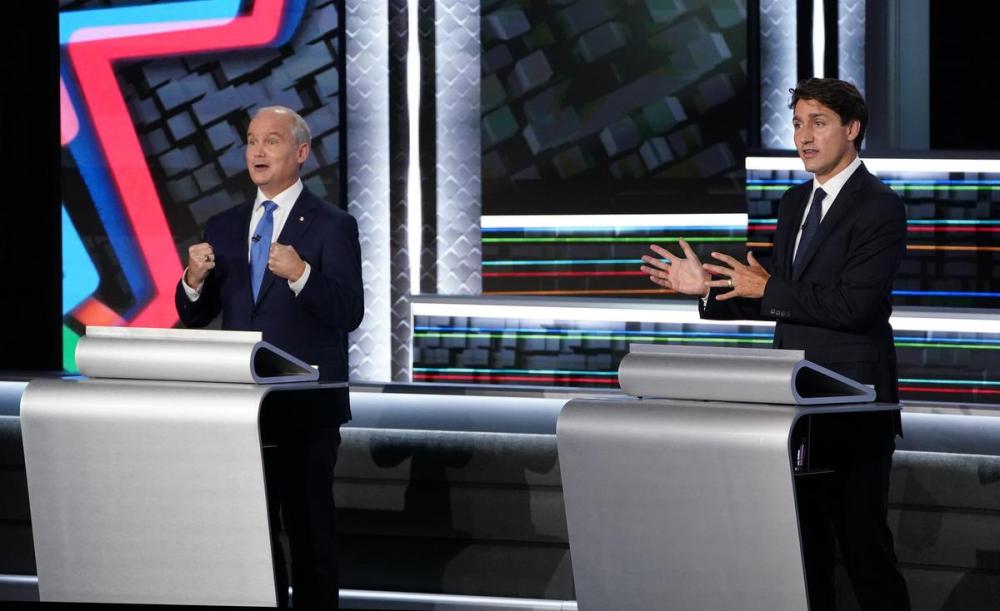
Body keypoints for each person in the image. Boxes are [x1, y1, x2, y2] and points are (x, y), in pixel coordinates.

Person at [640, 78, 910, 610]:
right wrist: (710, 292)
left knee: (864, 553)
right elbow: (780, 296)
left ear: (852, 129)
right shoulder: (793, 204)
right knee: (802, 556)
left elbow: (852, 307)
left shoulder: (879, 207)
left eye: (818, 122)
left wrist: (769, 288)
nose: (803, 136)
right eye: (797, 124)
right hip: (794, 406)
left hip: (855, 406)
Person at [175, 105, 364, 608]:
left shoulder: (332, 226)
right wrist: (193, 281)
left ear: (301, 153)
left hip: (306, 412)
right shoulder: (223, 224)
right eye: (252, 141)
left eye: (271, 141)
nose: (257, 151)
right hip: (241, 413)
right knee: (251, 541)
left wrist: (302, 273)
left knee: (309, 539)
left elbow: (349, 311)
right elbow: (196, 317)